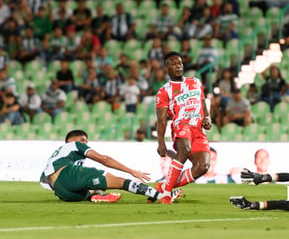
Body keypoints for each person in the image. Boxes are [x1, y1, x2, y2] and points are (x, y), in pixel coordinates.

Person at [39, 129, 182, 203]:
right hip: (69, 175)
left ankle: (95, 196)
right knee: (120, 182)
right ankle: (161, 195)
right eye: (83, 140)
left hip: (62, 193)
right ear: (71, 140)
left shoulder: (57, 156)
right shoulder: (74, 145)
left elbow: (45, 181)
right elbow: (104, 159)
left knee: (91, 186)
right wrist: (131, 171)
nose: (85, 143)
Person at [155, 51, 212, 204]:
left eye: (179, 63)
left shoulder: (196, 82)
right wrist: (161, 142)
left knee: (203, 166)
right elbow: (161, 119)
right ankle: (166, 194)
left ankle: (163, 186)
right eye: (173, 64)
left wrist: (207, 118)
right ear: (167, 68)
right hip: (181, 126)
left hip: (198, 129)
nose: (178, 66)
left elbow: (202, 103)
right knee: (184, 150)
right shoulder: (164, 91)